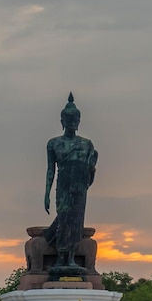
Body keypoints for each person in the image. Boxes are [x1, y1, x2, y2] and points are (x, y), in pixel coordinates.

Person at [44, 93, 98, 269]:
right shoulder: (54, 143)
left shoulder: (86, 144)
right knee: (64, 218)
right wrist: (46, 194)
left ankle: (72, 258)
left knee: (76, 222)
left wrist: (90, 170)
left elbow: (90, 171)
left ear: (79, 120)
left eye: (75, 118)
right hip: (64, 184)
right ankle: (61, 257)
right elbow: (51, 170)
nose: (72, 122)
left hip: (80, 186)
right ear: (62, 120)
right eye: (68, 118)